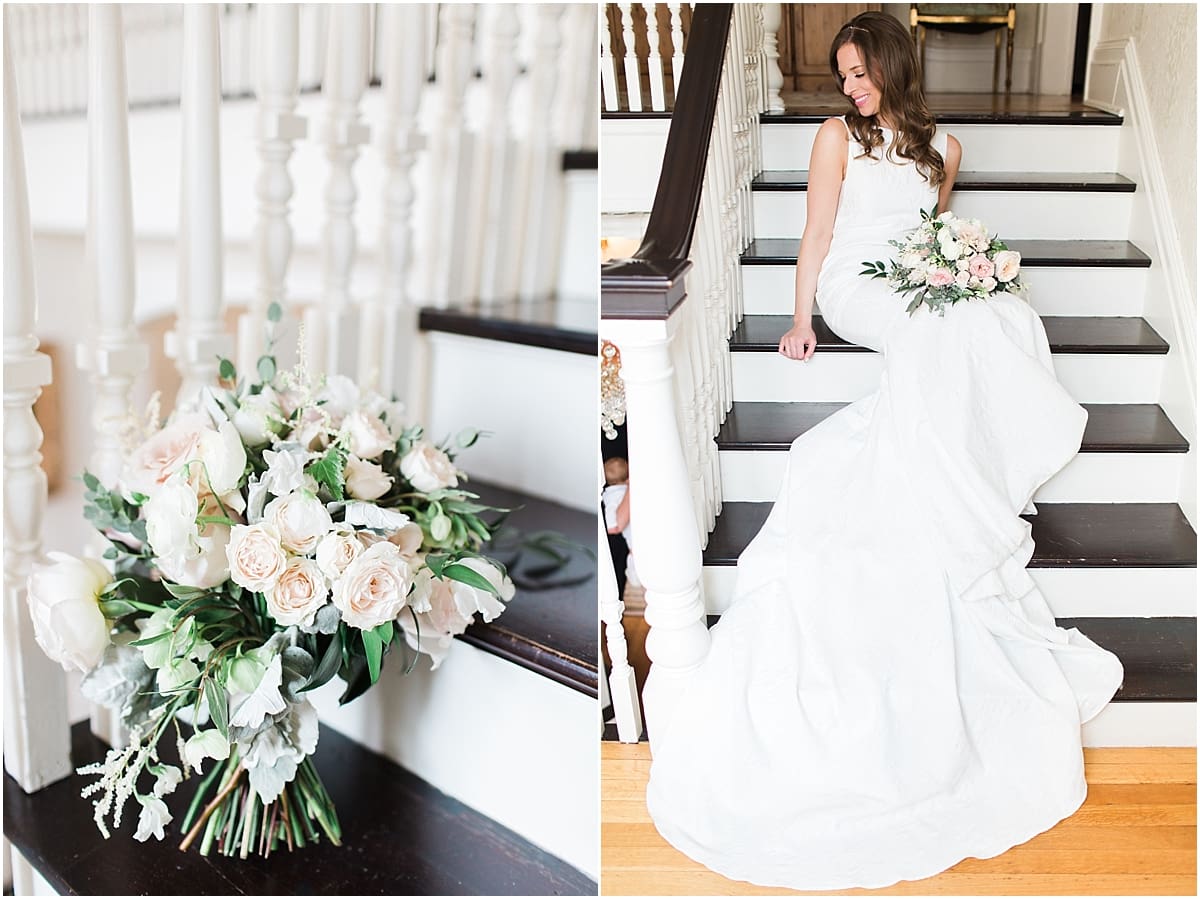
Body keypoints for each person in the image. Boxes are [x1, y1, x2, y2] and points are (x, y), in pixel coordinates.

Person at [643, 12, 1124, 891]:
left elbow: (935, 237)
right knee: (942, 332)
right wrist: (799, 316)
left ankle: (964, 476)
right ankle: (959, 492)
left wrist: (964, 272)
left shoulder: (943, 147)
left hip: (910, 275)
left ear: (893, 67)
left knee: (995, 314)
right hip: (854, 284)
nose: (853, 86)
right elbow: (820, 235)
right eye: (845, 73)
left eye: (862, 72)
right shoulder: (836, 137)